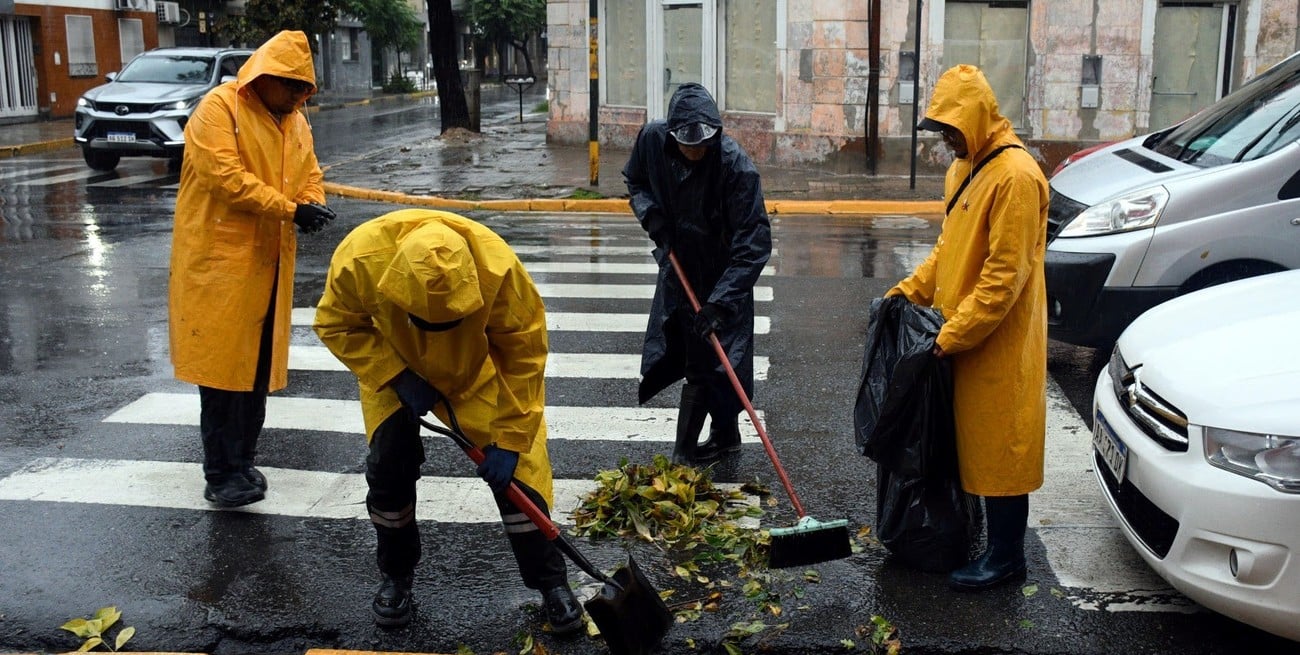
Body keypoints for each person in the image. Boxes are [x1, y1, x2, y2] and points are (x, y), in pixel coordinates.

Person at [312, 208, 583, 632]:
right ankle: (396, 575)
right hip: (395, 369)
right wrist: (396, 375)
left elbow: (524, 355)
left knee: (523, 476)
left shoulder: (498, 268)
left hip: (474, 374)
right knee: (388, 468)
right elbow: (335, 324)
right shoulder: (360, 259)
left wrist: (510, 439)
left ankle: (551, 584)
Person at [885, 64, 1049, 591]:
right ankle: (982, 539)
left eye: (952, 129)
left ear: (976, 118)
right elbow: (948, 249)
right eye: (940, 131)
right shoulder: (963, 171)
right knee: (971, 442)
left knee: (1003, 446)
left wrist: (951, 335)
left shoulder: (1017, 177)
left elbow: (1004, 279)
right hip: (959, 333)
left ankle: (1007, 558)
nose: (946, 141)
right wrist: (909, 291)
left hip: (998, 340)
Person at [168, 30, 335, 509]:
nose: (300, 98)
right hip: (219, 265)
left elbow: (309, 174)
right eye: (292, 88)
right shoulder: (219, 109)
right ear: (265, 78)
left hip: (270, 264)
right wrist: (290, 209)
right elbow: (224, 177)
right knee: (222, 376)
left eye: (306, 90)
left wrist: (311, 203)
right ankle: (219, 474)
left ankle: (243, 462)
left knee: (257, 372)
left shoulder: (294, 120)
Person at [622, 83, 772, 466]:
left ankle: (702, 446)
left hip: (725, 274)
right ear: (671, 134)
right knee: (696, 358)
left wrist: (720, 304)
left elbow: (753, 245)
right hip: (681, 267)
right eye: (687, 144)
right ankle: (698, 448)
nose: (694, 151)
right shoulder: (653, 140)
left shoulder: (737, 169)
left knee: (723, 362)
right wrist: (652, 216)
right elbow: (636, 181)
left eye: (702, 143)